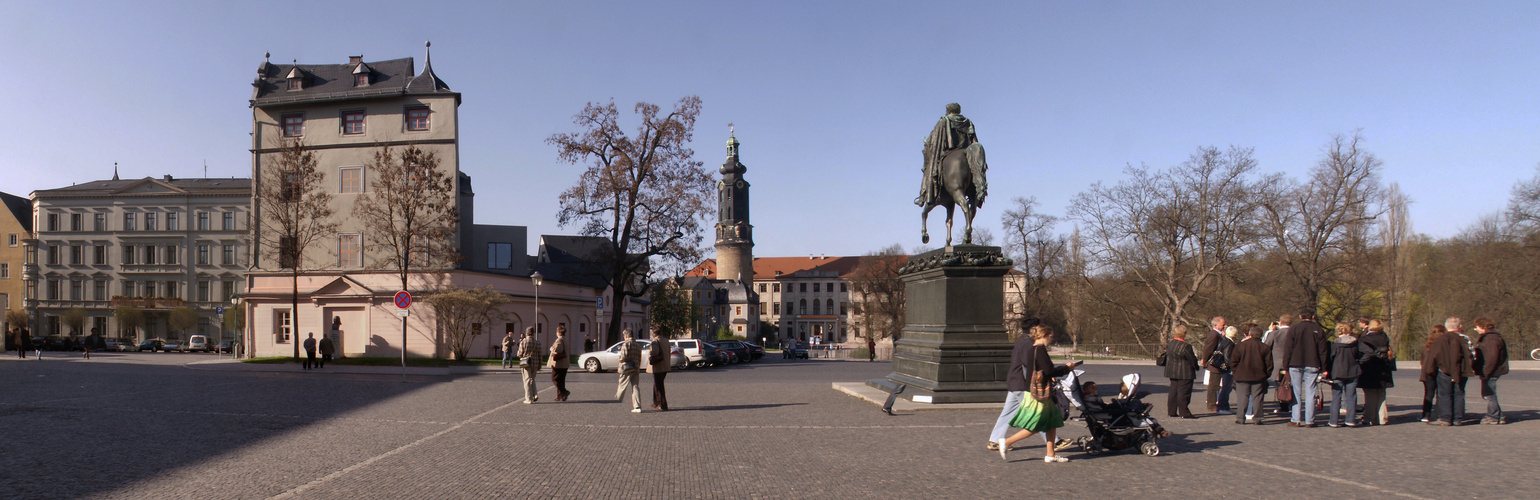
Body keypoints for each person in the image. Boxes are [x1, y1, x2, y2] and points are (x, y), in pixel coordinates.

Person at [988, 319, 1078, 451]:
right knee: (1039, 414)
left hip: (1015, 381)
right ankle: (1055, 442)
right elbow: (1029, 366)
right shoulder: (1030, 344)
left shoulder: (1022, 341)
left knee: (1008, 412)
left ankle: (995, 440)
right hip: (1024, 384)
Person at [917, 103, 987, 207]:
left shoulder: (944, 120)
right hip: (967, 152)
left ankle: (923, 196)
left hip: (948, 152)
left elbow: (934, 141)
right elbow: (973, 140)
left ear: (949, 111)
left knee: (930, 170)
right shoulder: (968, 123)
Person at [1281, 308, 1329, 427]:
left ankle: (1296, 419)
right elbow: (1323, 351)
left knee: (1296, 392)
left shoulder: (1294, 329)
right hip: (1313, 363)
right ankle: (1310, 420)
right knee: (1310, 392)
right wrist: (1324, 368)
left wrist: (1285, 365)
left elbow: (1288, 349)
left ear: (1301, 317)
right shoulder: (1318, 330)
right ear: (1313, 317)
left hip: (1295, 362)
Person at [1425, 319, 1473, 426]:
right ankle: (1458, 418)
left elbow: (1434, 355)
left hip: (1445, 370)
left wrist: (1430, 370)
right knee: (1459, 394)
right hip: (1461, 370)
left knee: (1445, 395)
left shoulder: (1441, 339)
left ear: (1446, 326)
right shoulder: (1465, 338)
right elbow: (1472, 355)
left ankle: (1445, 418)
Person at [1229, 325, 1273, 424]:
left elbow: (1233, 361)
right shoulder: (1265, 347)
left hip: (1242, 376)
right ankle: (1258, 418)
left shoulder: (1240, 345)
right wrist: (1266, 375)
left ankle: (1240, 418)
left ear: (1250, 334)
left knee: (1242, 397)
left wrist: (1236, 373)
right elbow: (1269, 364)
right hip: (1259, 376)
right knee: (1257, 398)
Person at [1356, 319, 1395, 426]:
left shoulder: (1365, 339)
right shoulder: (1384, 338)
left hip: (1370, 367)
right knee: (1381, 394)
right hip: (1383, 367)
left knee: (1370, 395)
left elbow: (1361, 353)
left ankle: (1369, 417)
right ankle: (1383, 417)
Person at [1325, 322, 1362, 427]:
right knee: (1351, 397)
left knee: (1336, 397)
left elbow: (1330, 358)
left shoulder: (1334, 344)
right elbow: (1361, 354)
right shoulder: (1355, 343)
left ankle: (1333, 421)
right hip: (1352, 370)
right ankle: (1350, 419)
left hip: (1337, 371)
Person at [1471, 318, 1508, 425]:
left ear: (1484, 326)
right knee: (1488, 393)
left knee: (1489, 394)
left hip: (1491, 371)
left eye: (1476, 327)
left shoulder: (1490, 338)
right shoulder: (1492, 337)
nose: (1475, 329)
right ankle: (1498, 415)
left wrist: (1485, 372)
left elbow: (1492, 357)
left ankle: (1493, 415)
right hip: (1493, 370)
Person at [1161, 324, 1199, 419]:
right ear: (1184, 333)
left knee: (1173, 391)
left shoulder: (1171, 344)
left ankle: (1171, 411)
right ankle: (1184, 412)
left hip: (1172, 371)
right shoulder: (1186, 346)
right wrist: (1196, 367)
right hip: (1185, 372)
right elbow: (1192, 358)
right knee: (1184, 392)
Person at [1200, 317, 1233, 415]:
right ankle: (1211, 404)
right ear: (1216, 325)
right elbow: (1208, 348)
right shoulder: (1214, 335)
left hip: (1217, 362)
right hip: (1215, 363)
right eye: (1223, 325)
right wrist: (1205, 360)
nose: (1224, 326)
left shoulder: (1217, 334)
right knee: (1213, 384)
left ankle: (1214, 403)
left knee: (1215, 384)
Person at [1262, 314, 1293, 416]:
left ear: (1280, 322)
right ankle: (1288, 405)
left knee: (1277, 385)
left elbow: (1266, 346)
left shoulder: (1275, 334)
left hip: (1277, 362)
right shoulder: (1295, 333)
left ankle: (1280, 405)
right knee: (1289, 385)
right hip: (1291, 362)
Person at [1418, 325, 1445, 422]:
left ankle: (1426, 414)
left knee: (1429, 394)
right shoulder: (1443, 345)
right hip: (1439, 371)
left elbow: (1422, 360)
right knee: (1441, 394)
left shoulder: (1427, 346)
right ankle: (1439, 414)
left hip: (1427, 372)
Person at [615, 329, 643, 413]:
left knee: (622, 385)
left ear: (626, 335)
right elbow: (639, 357)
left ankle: (615, 401)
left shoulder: (626, 344)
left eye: (624, 336)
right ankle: (637, 406)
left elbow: (624, 357)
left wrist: (619, 359)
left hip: (626, 368)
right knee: (635, 387)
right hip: (636, 367)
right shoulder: (637, 345)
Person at [517, 326, 542, 404]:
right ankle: (534, 394)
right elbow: (540, 355)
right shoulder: (538, 343)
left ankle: (528, 398)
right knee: (532, 379)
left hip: (526, 364)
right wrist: (540, 365)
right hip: (535, 363)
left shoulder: (523, 342)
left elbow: (519, 354)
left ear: (526, 333)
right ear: (533, 333)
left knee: (527, 380)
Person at [647, 334, 670, 411]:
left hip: (658, 365)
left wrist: (649, 352)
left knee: (659, 385)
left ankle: (662, 404)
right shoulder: (666, 340)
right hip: (665, 365)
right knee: (657, 384)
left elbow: (654, 352)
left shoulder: (655, 341)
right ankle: (656, 402)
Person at [549, 325, 571, 402]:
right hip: (565, 363)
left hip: (558, 363)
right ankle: (560, 396)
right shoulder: (565, 339)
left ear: (558, 332)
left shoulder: (559, 340)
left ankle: (564, 392)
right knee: (561, 380)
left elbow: (558, 349)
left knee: (555, 379)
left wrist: (552, 349)